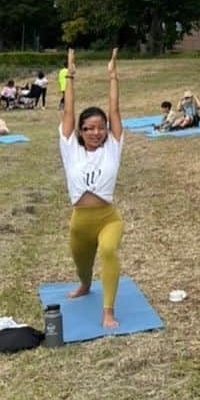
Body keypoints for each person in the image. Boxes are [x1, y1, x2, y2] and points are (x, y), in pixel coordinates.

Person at [59, 47, 125, 330]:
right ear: (80, 132)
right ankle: (85, 285)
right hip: (80, 223)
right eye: (89, 128)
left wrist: (112, 77)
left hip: (108, 218)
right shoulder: (70, 149)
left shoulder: (113, 147)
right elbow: (70, 112)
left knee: (108, 251)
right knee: (82, 267)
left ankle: (108, 310)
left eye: (100, 128)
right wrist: (70, 76)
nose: (96, 133)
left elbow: (115, 110)